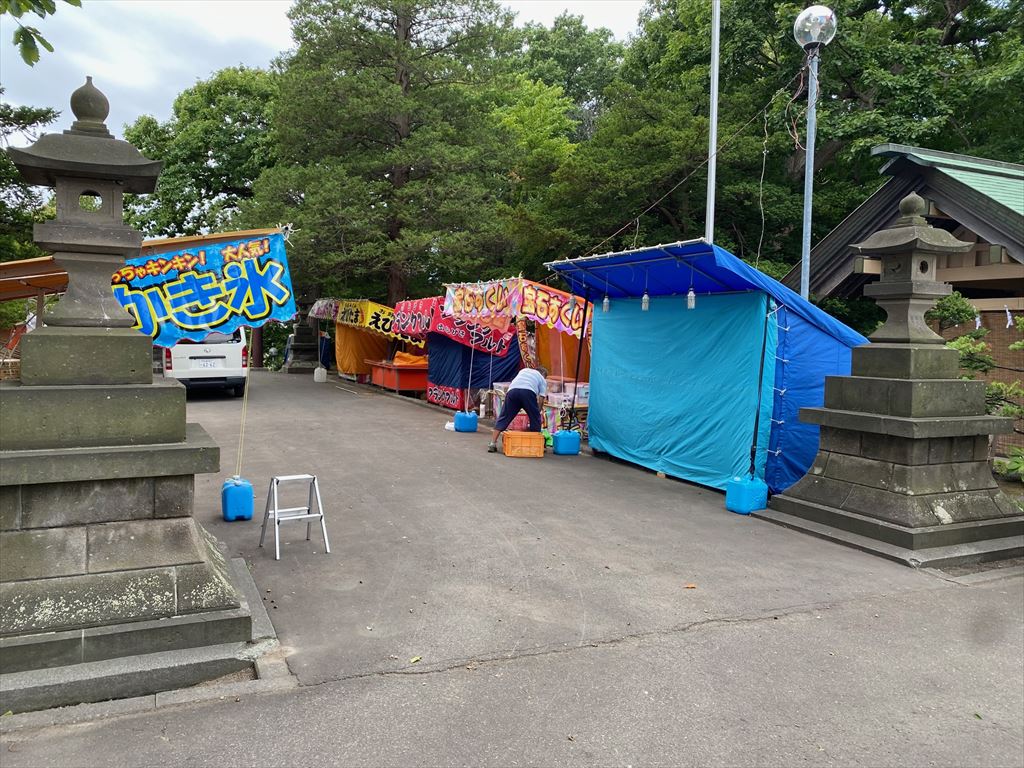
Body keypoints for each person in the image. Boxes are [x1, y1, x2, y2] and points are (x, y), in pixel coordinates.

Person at [488, 365, 548, 453]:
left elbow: (517, 383)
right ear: (543, 375)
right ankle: (534, 445)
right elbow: (541, 398)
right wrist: (537, 412)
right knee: (535, 419)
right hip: (528, 392)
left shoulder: (524, 370)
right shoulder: (542, 379)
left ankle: (492, 443)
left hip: (512, 391)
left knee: (504, 417)